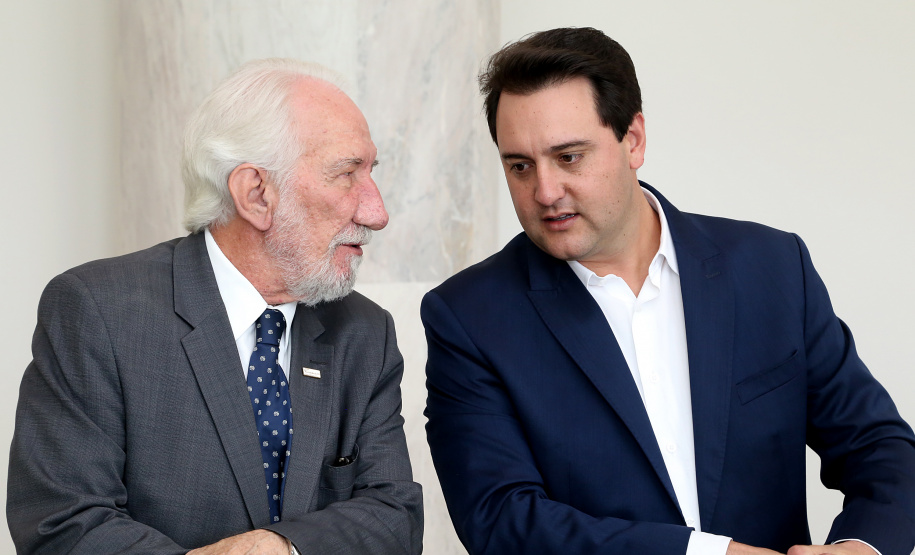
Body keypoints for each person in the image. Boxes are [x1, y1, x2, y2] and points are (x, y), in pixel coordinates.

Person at [422, 27, 915, 555]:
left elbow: (881, 448)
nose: (544, 192)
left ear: (633, 139)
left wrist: (863, 547)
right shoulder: (468, 317)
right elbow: (501, 521)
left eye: (569, 157)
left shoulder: (771, 267)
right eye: (519, 166)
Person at [8, 58, 422, 554]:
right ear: (256, 195)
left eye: (370, 172)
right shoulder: (98, 312)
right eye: (346, 174)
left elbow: (394, 515)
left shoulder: (365, 331)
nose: (376, 213)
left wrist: (279, 548)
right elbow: (63, 522)